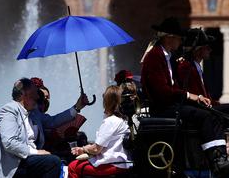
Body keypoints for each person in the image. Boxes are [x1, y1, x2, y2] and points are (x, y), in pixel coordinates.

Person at [141, 17, 229, 177]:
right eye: (179, 38)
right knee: (205, 116)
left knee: (214, 113)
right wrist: (191, 96)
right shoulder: (154, 57)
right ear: (169, 38)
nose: (181, 42)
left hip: (173, 105)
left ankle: (219, 155)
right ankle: (217, 159)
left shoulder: (168, 57)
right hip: (163, 108)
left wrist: (194, 97)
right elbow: (161, 91)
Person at [0, 78, 62, 178]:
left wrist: (77, 108)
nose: (38, 97)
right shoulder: (9, 111)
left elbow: (52, 121)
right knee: (53, 162)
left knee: (58, 157)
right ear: (25, 95)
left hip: (27, 161)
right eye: (35, 94)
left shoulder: (32, 112)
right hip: (12, 166)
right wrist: (37, 152)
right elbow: (9, 142)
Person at [68, 85, 132, 178]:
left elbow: (96, 149)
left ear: (108, 102)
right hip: (122, 163)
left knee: (72, 167)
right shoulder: (123, 120)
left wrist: (83, 149)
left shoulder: (111, 121)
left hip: (112, 164)